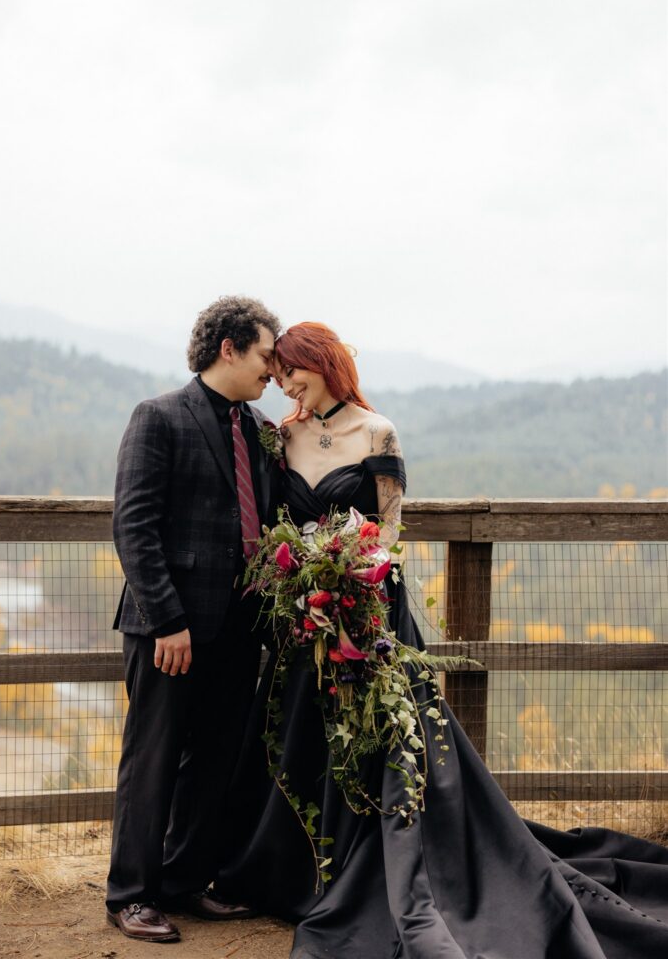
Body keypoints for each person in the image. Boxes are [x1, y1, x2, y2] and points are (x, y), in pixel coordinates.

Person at [217, 321, 668, 959]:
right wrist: (303, 587)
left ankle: (371, 867)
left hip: (369, 607)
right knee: (297, 730)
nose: (285, 382)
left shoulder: (378, 432)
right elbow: (275, 524)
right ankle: (289, 870)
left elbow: (390, 530)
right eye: (280, 371)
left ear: (323, 363)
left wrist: (350, 585)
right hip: (303, 615)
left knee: (383, 736)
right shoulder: (282, 436)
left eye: (294, 369)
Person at [105, 296, 282, 943]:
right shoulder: (158, 417)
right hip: (168, 631)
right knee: (151, 761)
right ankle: (131, 895)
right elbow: (134, 527)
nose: (273, 368)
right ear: (228, 347)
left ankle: (184, 882)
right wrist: (166, 621)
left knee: (214, 762)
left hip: (239, 629)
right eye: (266, 353)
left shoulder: (261, 431)